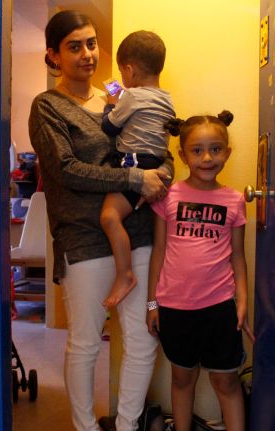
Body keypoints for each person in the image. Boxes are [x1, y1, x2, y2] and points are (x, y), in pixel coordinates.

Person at [28, 10, 172, 431]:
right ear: (53, 55)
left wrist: (161, 172)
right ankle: (86, 427)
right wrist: (134, 178)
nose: (88, 54)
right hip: (85, 237)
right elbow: (66, 170)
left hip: (139, 231)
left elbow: (151, 139)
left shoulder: (119, 92)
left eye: (92, 43)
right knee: (87, 342)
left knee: (144, 338)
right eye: (75, 46)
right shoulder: (48, 107)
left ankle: (127, 425)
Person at [146, 111, 255, 431]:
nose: (207, 158)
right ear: (182, 155)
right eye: (197, 150)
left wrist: (243, 301)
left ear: (228, 152)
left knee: (226, 382)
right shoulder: (169, 196)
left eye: (216, 149)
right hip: (175, 308)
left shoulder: (234, 200)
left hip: (220, 306)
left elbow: (237, 256)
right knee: (182, 379)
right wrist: (152, 304)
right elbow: (159, 253)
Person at [99, 30, 176, 309]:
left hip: (135, 163)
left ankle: (124, 275)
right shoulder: (167, 100)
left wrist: (110, 106)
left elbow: (109, 127)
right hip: (156, 164)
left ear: (129, 69)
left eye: (123, 71)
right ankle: (129, 275)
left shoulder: (130, 97)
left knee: (109, 217)